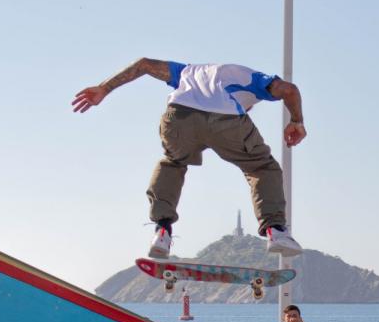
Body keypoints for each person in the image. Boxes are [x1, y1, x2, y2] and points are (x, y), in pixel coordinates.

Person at [73, 58, 305, 260]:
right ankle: (276, 230)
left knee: (173, 162)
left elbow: (143, 64)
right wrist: (297, 121)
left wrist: (104, 88)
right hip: (227, 122)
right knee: (262, 167)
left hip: (178, 115)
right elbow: (290, 90)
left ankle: (162, 231)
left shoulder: (186, 71)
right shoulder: (256, 80)